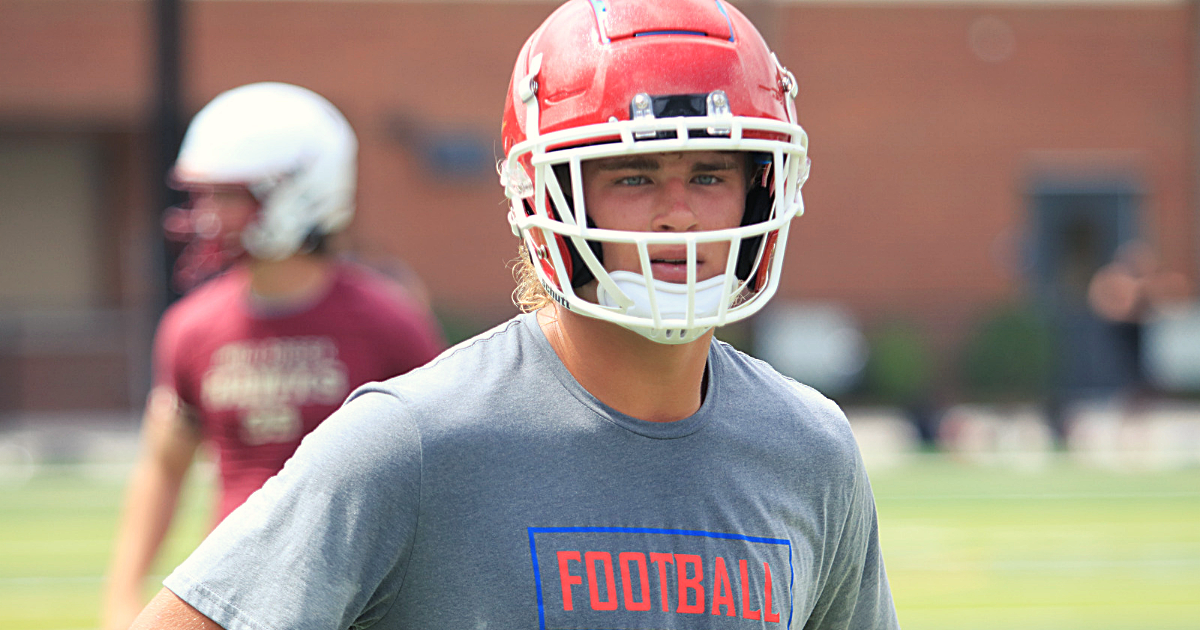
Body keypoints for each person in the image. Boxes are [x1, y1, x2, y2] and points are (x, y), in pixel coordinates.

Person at [131, 2, 899, 628]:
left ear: (764, 188)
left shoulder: (812, 449)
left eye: (709, 173)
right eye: (633, 175)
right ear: (543, 197)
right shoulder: (411, 440)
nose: (678, 215)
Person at [104, 82, 445, 630]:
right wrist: (121, 599)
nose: (208, 215)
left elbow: (446, 460)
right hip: (234, 593)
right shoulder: (190, 327)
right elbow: (163, 466)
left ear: (299, 191)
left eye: (229, 195)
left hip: (360, 594)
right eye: (204, 195)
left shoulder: (389, 320)